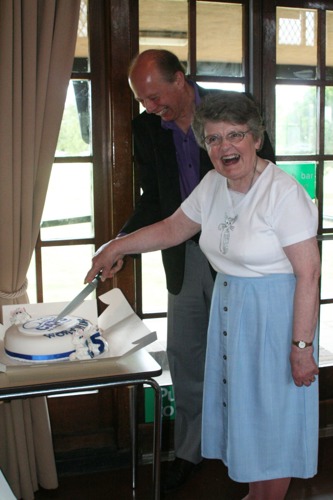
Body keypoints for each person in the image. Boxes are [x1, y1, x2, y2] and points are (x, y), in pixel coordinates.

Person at [85, 91, 320, 499]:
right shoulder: (213, 184)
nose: (224, 147)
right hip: (233, 313)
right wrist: (116, 246)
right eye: (213, 139)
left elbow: (310, 273)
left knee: (272, 416)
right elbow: (174, 227)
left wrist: (302, 346)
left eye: (235, 135)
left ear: (257, 139)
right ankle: (255, 493)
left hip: (273, 317)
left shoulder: (283, 193)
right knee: (247, 413)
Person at [116, 49, 276, 492]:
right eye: (143, 100)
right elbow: (154, 199)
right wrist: (121, 245)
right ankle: (189, 451)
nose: (150, 107)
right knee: (187, 360)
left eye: (154, 96)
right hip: (183, 256)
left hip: (237, 255)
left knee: (241, 361)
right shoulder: (148, 128)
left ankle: (244, 453)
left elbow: (265, 178)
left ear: (180, 79)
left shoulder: (233, 111)